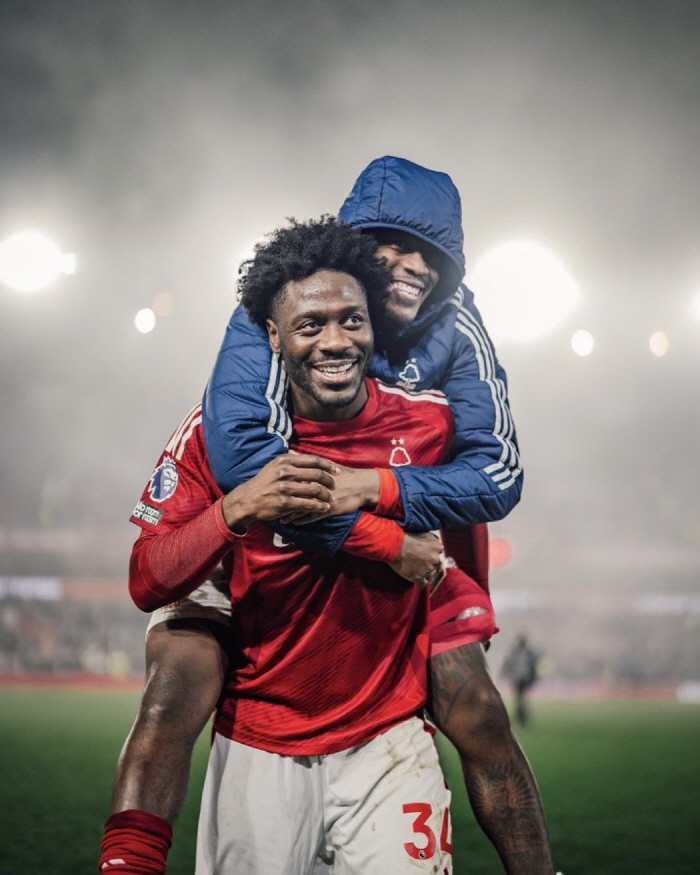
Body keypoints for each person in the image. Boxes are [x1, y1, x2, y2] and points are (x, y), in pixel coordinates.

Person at [100, 161, 555, 874]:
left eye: (427, 253)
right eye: (390, 247)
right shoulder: (262, 323)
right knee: (174, 686)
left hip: (410, 552)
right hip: (264, 552)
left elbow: (496, 472)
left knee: (481, 714)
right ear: (278, 331)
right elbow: (244, 465)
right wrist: (380, 539)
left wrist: (376, 493)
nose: (410, 266)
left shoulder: (446, 360)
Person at [502, 634, 541, 726]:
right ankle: (521, 717)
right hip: (518, 679)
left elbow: (533, 667)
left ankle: (520, 717)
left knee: (520, 699)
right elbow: (508, 665)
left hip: (523, 679)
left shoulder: (527, 653)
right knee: (520, 699)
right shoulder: (519, 653)